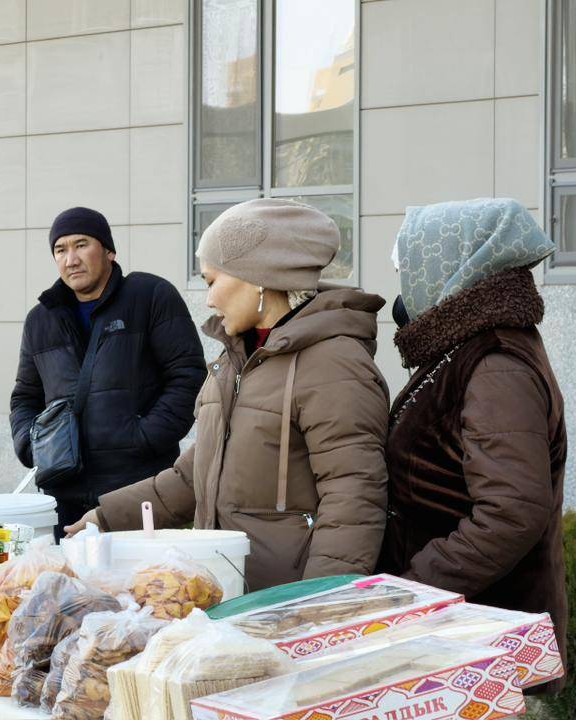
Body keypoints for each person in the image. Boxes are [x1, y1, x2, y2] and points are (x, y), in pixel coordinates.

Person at [67, 199, 390, 592]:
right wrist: (105, 518)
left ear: (257, 277)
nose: (209, 300)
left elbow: (353, 502)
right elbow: (193, 477)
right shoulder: (236, 359)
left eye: (211, 282)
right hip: (228, 597)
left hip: (283, 607)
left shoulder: (333, 364)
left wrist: (315, 607)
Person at [376, 197, 568, 694]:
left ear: (447, 267)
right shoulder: (466, 347)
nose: (403, 286)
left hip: (475, 634)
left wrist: (412, 589)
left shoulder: (495, 361)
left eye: (409, 269)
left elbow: (512, 511)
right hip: (452, 627)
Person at [10, 207, 206, 536]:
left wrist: (144, 438)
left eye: (82, 244)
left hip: (139, 492)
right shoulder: (40, 320)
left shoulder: (150, 296)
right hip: (64, 495)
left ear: (109, 251)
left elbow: (188, 378)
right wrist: (33, 447)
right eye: (61, 249)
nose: (71, 259)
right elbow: (24, 398)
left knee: (147, 585)